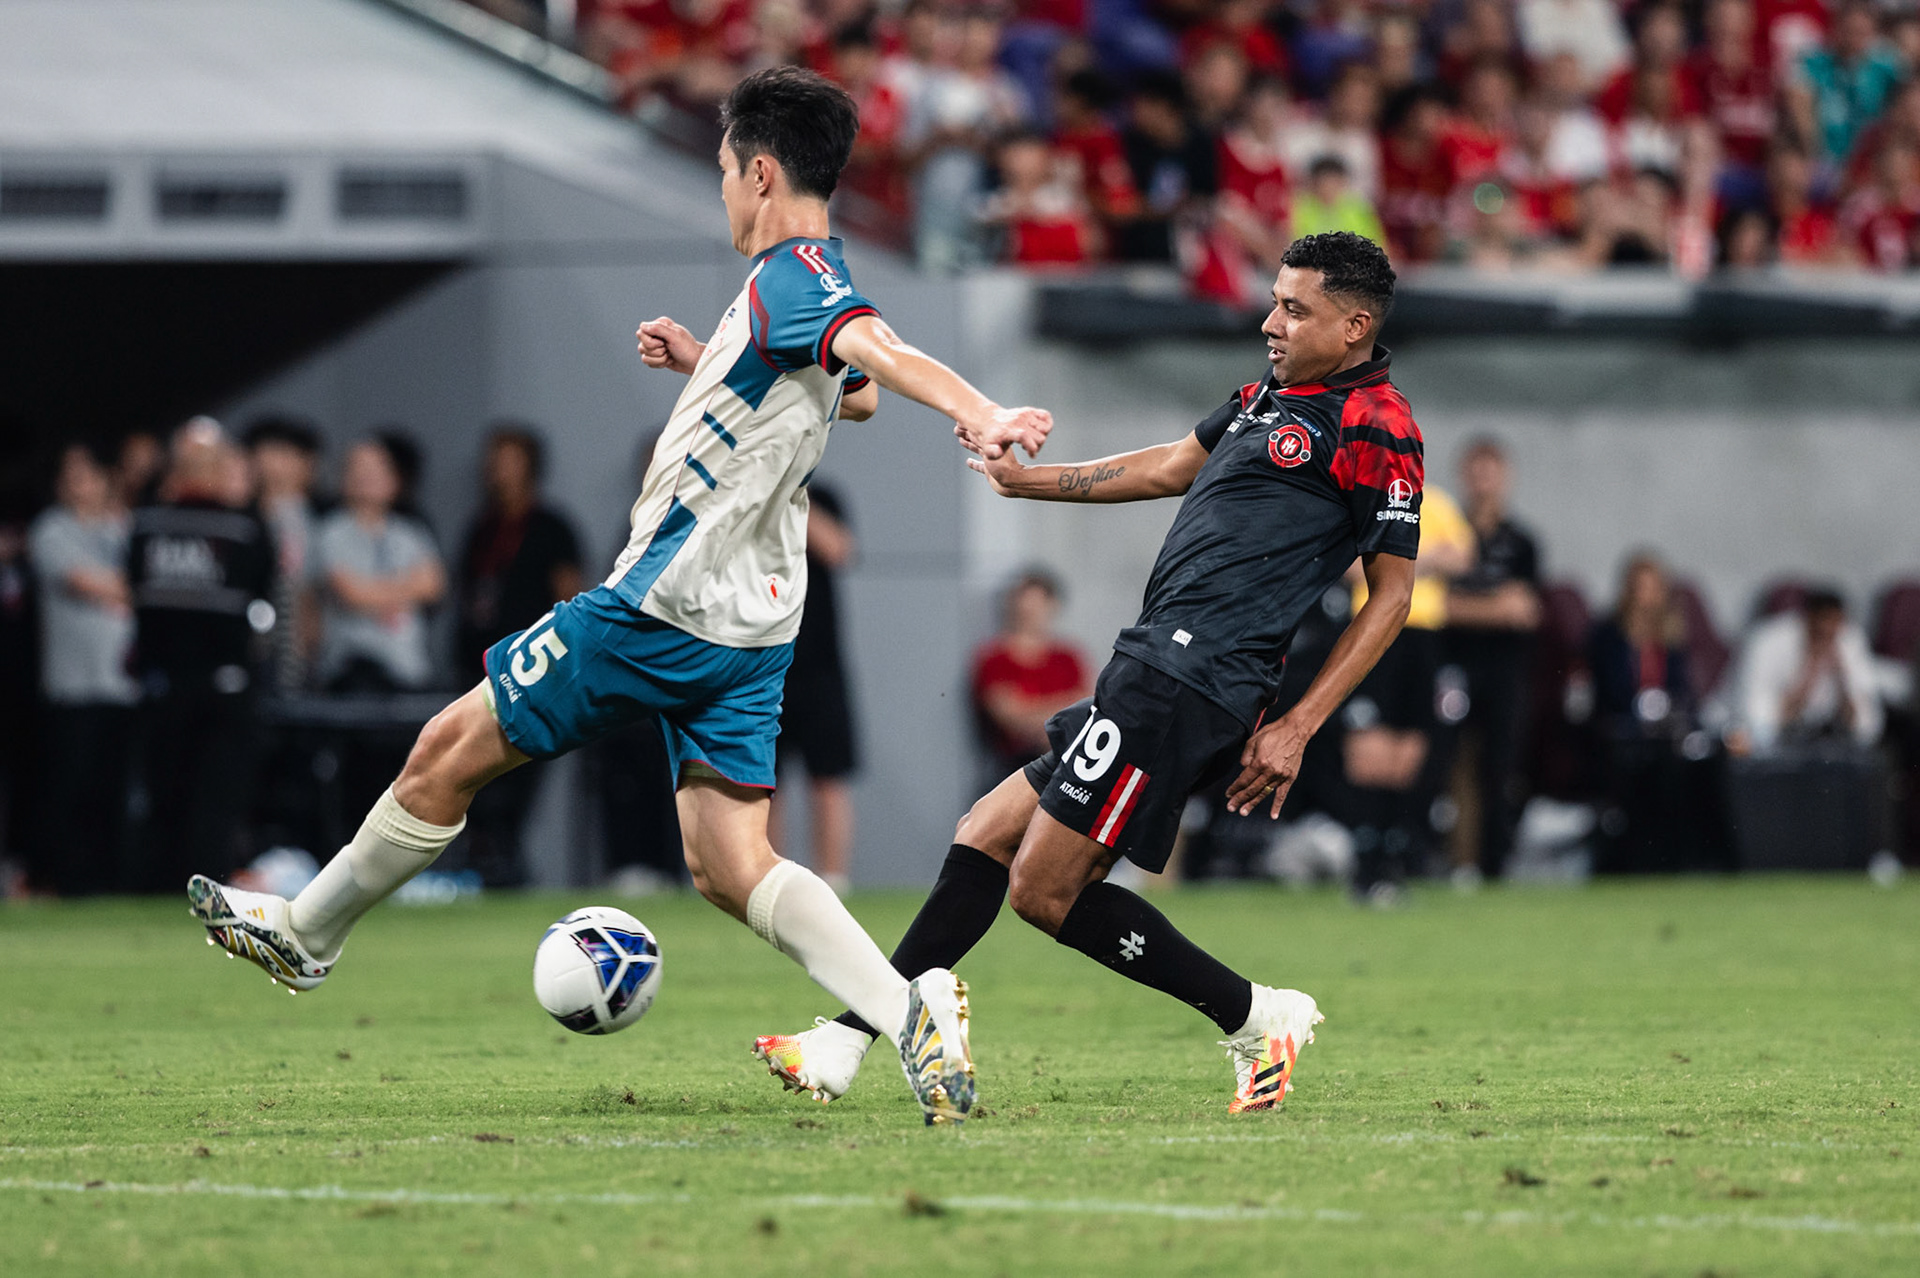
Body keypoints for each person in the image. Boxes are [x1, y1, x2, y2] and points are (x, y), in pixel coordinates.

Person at [186, 67, 1053, 1128]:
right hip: (756, 623)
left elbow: (877, 352)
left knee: (446, 751)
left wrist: (982, 409)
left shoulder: (797, 277)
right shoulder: (799, 289)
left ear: (764, 172)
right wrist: (713, 362)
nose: (725, 194)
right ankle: (903, 1005)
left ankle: (307, 937)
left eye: (729, 173)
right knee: (732, 864)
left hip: (662, 604)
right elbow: (852, 393)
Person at [755, 232, 1420, 1115]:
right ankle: (843, 1041)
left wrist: (1298, 725)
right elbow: (1173, 465)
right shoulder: (1268, 395)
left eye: (1295, 310)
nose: (1270, 320)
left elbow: (1393, 598)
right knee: (986, 831)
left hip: (1195, 679)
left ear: (1354, 326)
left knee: (1042, 889)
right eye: (1275, 300)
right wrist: (1033, 486)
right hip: (1154, 659)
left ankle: (1256, 1016)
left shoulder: (1382, 426)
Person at [128, 419, 276, 893]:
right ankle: (204, 892)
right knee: (215, 803)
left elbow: (134, 591)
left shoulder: (146, 525)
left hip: (164, 687)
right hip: (224, 686)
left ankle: (160, 887)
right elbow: (265, 594)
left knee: (166, 797)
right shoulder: (243, 529)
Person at [453, 425, 584, 888]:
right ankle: (488, 869)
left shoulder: (552, 528)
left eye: (508, 459)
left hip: (534, 674)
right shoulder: (482, 528)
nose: (498, 470)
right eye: (494, 459)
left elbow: (571, 599)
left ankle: (508, 869)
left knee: (517, 785)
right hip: (478, 671)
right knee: (475, 782)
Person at [28, 443, 139, 895]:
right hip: (73, 685)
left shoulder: (126, 529)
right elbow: (84, 580)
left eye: (88, 475)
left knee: (115, 791)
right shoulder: (50, 530)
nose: (80, 486)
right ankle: (68, 881)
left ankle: (111, 880)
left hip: (125, 685)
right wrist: (134, 587)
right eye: (71, 477)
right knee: (71, 789)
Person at [1444, 438, 1542, 880]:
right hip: (1452, 667)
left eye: (1492, 470)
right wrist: (1492, 608)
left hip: (1504, 670)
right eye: (1475, 470)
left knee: (1500, 767)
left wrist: (1466, 607)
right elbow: (1435, 605)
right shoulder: (1445, 533)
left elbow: (1525, 610)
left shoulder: (1522, 542)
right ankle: (1456, 860)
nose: (1483, 481)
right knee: (1451, 766)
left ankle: (1495, 865)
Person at [771, 483, 861, 893]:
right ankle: (769, 879)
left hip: (819, 666)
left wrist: (787, 489)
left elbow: (839, 549)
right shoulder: (741, 493)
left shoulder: (817, 495)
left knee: (828, 777)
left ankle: (832, 881)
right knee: (764, 783)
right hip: (761, 662)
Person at [314, 438, 445, 694]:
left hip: (409, 667)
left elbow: (434, 586)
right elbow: (351, 594)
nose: (368, 477)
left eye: (377, 469)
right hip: (350, 668)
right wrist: (408, 585)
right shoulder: (330, 532)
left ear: (395, 480)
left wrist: (371, 590)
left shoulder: (412, 532)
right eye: (359, 469)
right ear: (344, 478)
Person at [970, 570, 1091, 782]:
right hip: (1012, 769)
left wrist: (1034, 713)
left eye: (1037, 605)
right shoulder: (995, 659)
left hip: (1064, 766)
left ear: (1052, 606)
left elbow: (1086, 706)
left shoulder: (1067, 657)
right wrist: (1058, 715)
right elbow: (1008, 715)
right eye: (1025, 606)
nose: (1030, 612)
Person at [1737, 587, 1883, 752]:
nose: (1827, 636)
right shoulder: (1768, 640)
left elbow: (1868, 727)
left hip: (1823, 743)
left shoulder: (1849, 640)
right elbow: (1758, 725)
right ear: (1806, 619)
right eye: (1820, 630)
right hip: (1771, 745)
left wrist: (1842, 679)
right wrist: (1807, 677)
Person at [244, 415, 324, 694]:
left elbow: (313, 587)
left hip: (301, 648)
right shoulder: (245, 515)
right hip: (254, 637)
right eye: (266, 450)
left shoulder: (320, 516)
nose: (271, 460)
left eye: (285, 452)